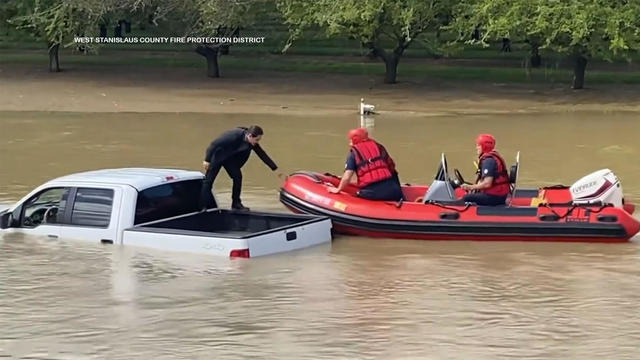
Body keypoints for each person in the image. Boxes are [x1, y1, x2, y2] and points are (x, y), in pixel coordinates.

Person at [199, 125, 278, 211]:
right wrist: (207, 160)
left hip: (230, 159)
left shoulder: (251, 142)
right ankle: (203, 206)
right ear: (250, 136)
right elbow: (214, 144)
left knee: (238, 177)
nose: (257, 142)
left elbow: (262, 154)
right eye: (257, 140)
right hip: (218, 156)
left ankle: (236, 204)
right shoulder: (233, 135)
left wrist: (274, 167)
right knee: (208, 181)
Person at [328, 128, 403, 201]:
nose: (349, 143)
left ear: (355, 140)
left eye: (350, 140)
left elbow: (347, 176)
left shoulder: (353, 153)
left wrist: (338, 189)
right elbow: (391, 167)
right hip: (394, 191)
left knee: (356, 196)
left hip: (373, 193)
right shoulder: (379, 147)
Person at [461, 134, 510, 206]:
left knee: (466, 197)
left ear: (484, 147)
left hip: (495, 197)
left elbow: (487, 183)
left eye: (478, 145)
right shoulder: (491, 157)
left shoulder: (488, 161)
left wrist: (471, 187)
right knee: (473, 193)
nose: (476, 147)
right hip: (500, 194)